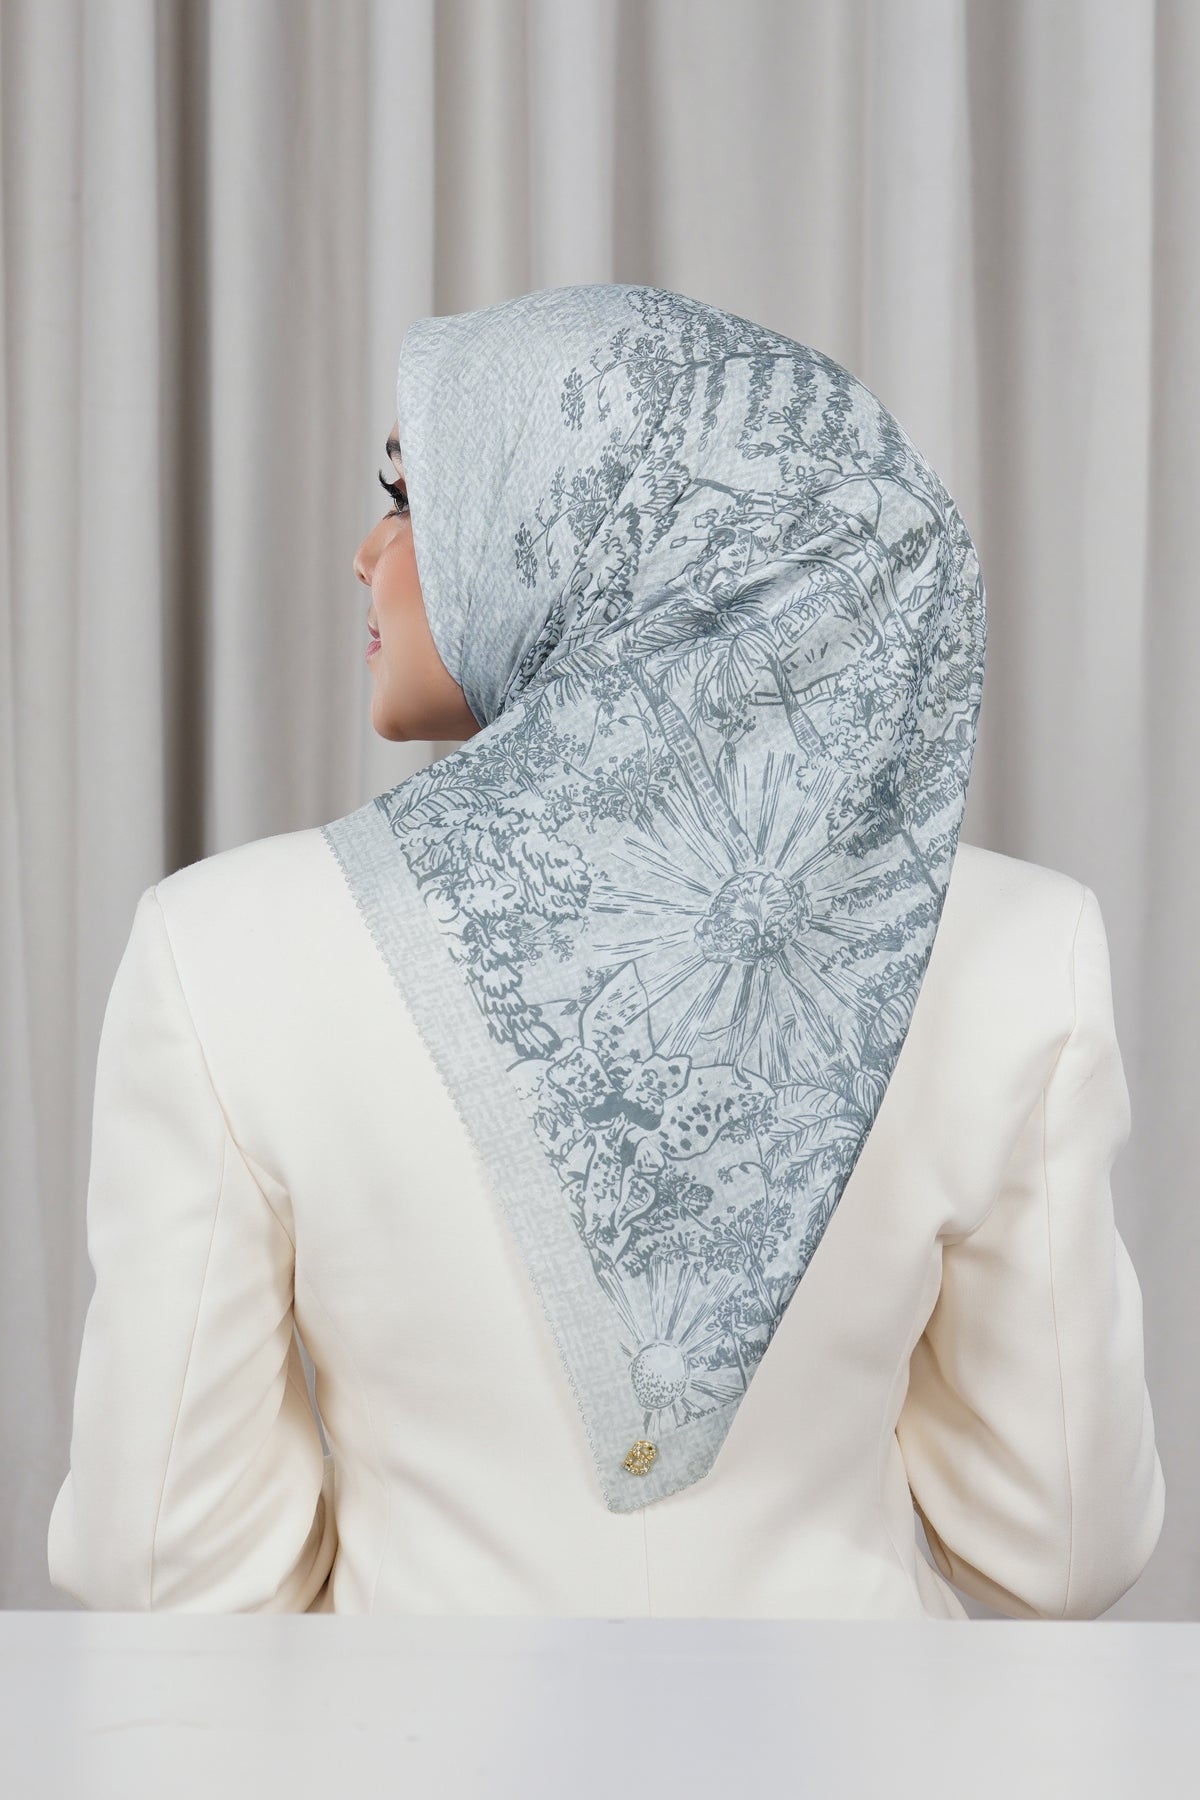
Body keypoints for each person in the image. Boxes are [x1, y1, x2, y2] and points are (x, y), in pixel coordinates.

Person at [47, 284, 1164, 1618]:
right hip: (861, 1724)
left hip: (404, 1728)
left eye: (412, 498)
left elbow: (164, 1562)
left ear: (595, 535)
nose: (365, 552)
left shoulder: (225, 947)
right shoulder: (1018, 948)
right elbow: (1063, 1548)